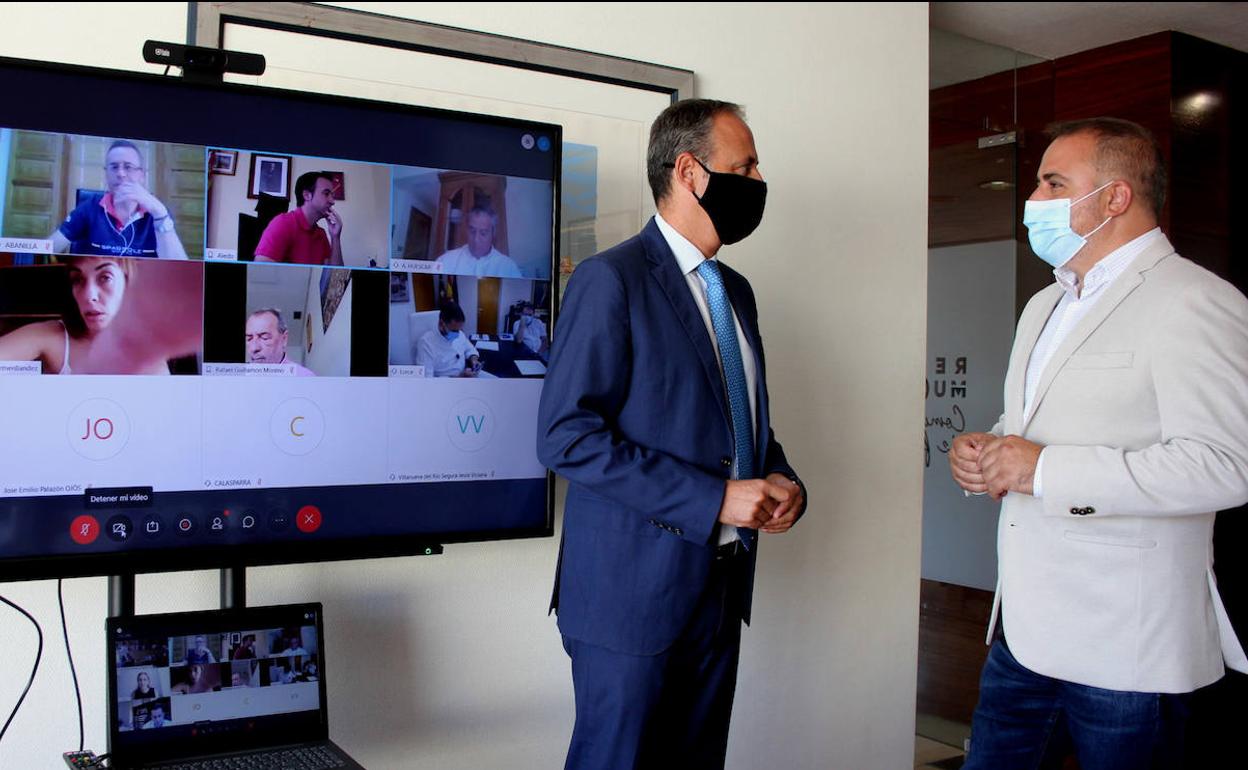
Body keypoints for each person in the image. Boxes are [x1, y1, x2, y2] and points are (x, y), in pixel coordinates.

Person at [947, 117, 1248, 769]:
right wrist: (989, 450)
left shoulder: (1194, 301)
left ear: (1115, 197)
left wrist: (1046, 471)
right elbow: (1031, 428)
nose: (1035, 199)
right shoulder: (1043, 306)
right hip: (1022, 637)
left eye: (1055, 183)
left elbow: (1226, 465)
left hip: (1127, 650)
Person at [537, 99, 806, 769]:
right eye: (744, 166)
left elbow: (735, 420)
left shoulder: (735, 291)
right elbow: (566, 435)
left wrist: (781, 481)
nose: (758, 180)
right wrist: (716, 498)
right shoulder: (611, 280)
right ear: (688, 171)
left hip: (719, 589)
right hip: (630, 599)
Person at [0, 256, 182, 375]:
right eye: (77, 280)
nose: (89, 296)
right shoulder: (52, 335)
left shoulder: (148, 352)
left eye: (105, 277)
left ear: (128, 284)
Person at [50, 140, 189, 260]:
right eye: (114, 167)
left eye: (128, 167)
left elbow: (181, 270)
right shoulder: (88, 208)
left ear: (141, 175)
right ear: (106, 174)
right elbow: (49, 247)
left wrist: (160, 213)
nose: (121, 174)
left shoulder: (158, 212)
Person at [254, 171, 344, 266]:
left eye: (332, 195)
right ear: (307, 195)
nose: (332, 201)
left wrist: (335, 237)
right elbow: (260, 272)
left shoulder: (321, 234)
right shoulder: (283, 223)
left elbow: (335, 277)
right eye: (326, 194)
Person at [435, 205, 521, 277]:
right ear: (466, 230)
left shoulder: (509, 267)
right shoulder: (445, 260)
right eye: (472, 231)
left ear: (493, 233)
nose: (476, 239)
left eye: (483, 233)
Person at [415, 300, 481, 378]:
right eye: (454, 330)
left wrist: (474, 360)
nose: (457, 334)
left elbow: (470, 349)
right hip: (446, 385)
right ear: (441, 324)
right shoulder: (426, 343)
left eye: (459, 330)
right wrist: (460, 377)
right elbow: (427, 380)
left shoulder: (460, 334)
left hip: (467, 375)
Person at [245, 308, 315, 375]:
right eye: (249, 339)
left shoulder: (305, 378)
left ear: (284, 339)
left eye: (264, 337)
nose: (254, 348)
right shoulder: (239, 377)